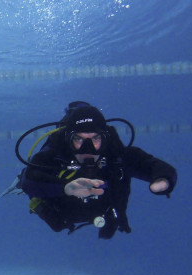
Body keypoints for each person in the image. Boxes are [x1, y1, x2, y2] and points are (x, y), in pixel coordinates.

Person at [20, 102, 176, 239]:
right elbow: (28, 181)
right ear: (69, 139)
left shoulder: (116, 156)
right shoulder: (55, 154)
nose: (87, 148)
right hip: (62, 214)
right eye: (79, 139)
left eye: (95, 139)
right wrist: (64, 188)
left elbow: (153, 165)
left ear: (105, 139)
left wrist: (164, 180)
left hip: (104, 215)